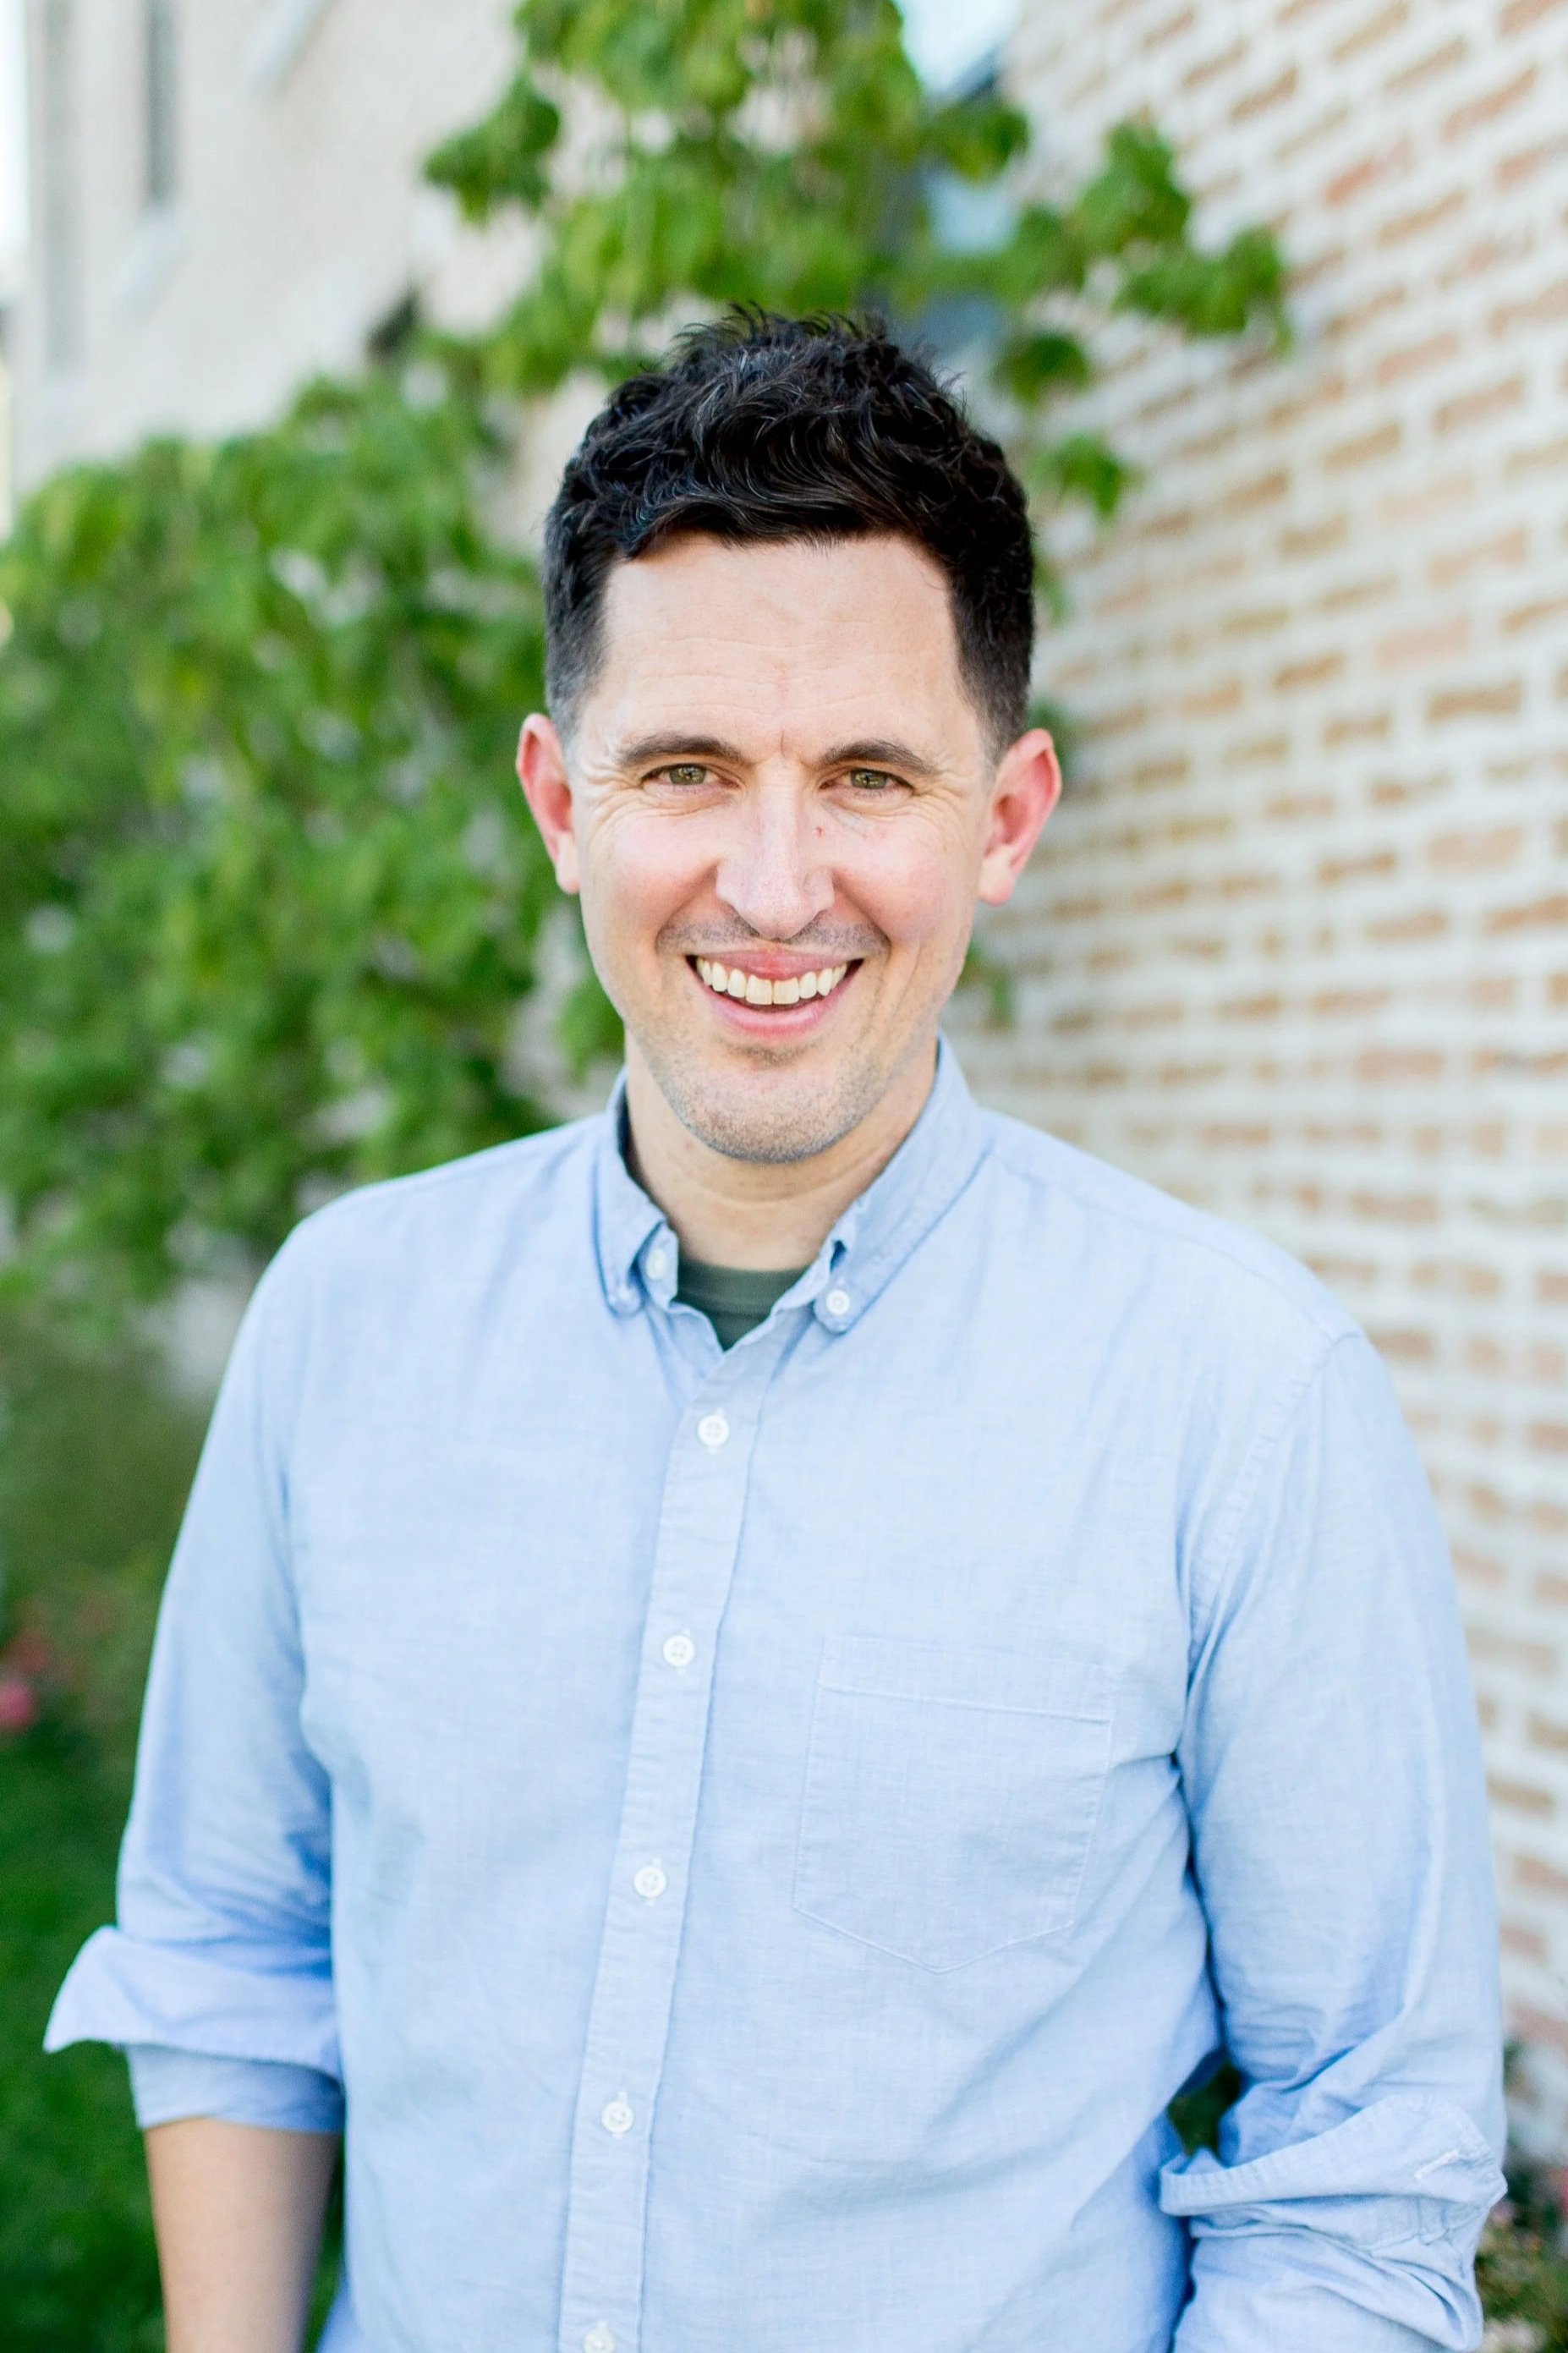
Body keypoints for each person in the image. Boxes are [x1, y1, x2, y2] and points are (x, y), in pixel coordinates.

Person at [48, 311, 1505, 2353]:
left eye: (868, 776)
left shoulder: (1241, 1401)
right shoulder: (343, 1325)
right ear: (563, 800)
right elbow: (225, 1947)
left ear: (1004, 819)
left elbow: (1363, 2148)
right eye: (688, 768)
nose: (772, 878)